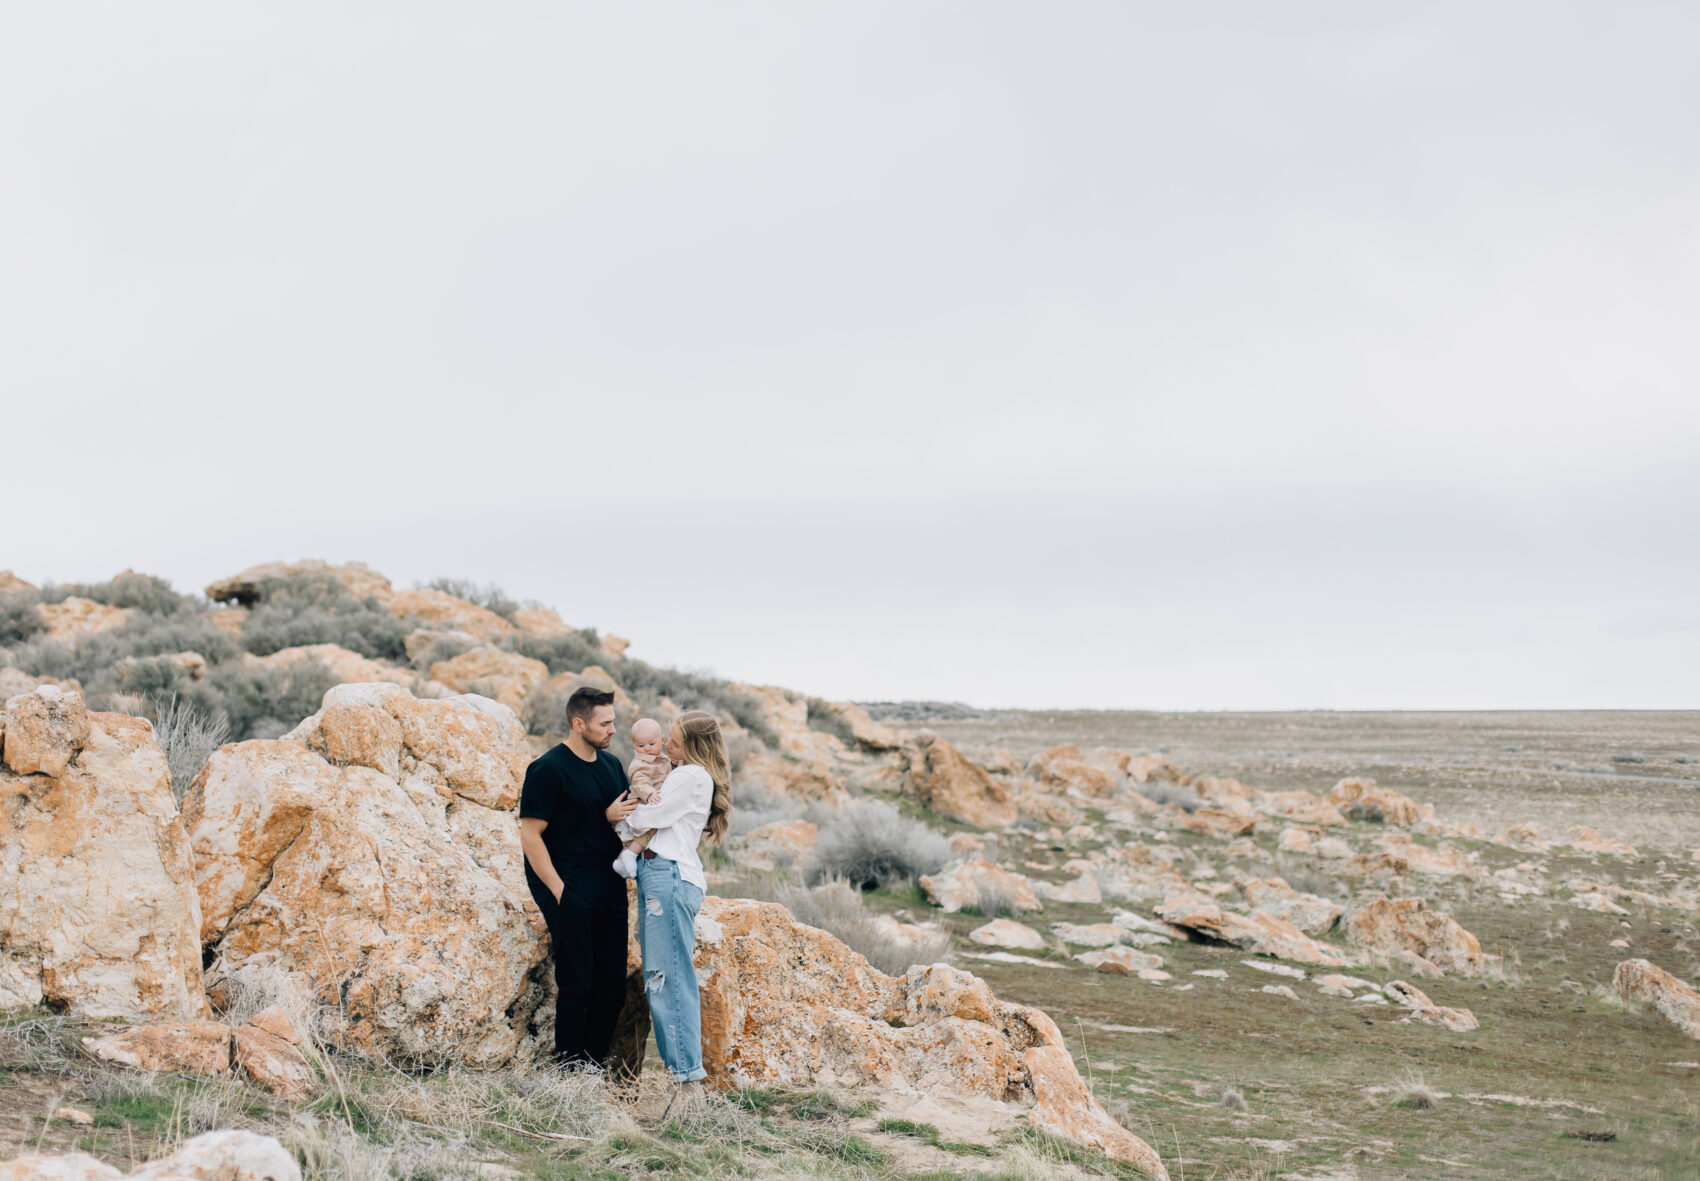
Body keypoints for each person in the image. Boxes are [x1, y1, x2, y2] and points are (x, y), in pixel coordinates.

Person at [518, 686, 639, 1069]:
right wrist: (559, 891)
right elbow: (530, 834)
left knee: (611, 989)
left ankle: (592, 1069)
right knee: (577, 986)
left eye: (613, 721)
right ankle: (569, 1072)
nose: (613, 729)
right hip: (568, 887)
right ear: (578, 723)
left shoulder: (612, 766)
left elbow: (621, 821)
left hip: (608, 887)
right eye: (605, 723)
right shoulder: (548, 768)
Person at [623, 710, 733, 1092]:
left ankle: (688, 1087)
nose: (664, 747)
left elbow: (643, 819)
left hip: (666, 876)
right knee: (666, 977)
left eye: (672, 741)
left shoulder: (687, 776)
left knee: (667, 979)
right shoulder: (684, 773)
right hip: (665, 877)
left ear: (691, 746)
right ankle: (685, 1080)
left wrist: (621, 816)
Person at [612, 717, 672, 880]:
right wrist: (650, 793)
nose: (646, 749)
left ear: (661, 741)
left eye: (651, 744)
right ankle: (631, 853)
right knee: (653, 825)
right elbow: (640, 781)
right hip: (643, 800)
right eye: (641, 745)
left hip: (652, 800)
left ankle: (620, 859)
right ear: (634, 745)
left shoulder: (663, 758)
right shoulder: (639, 764)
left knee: (647, 830)